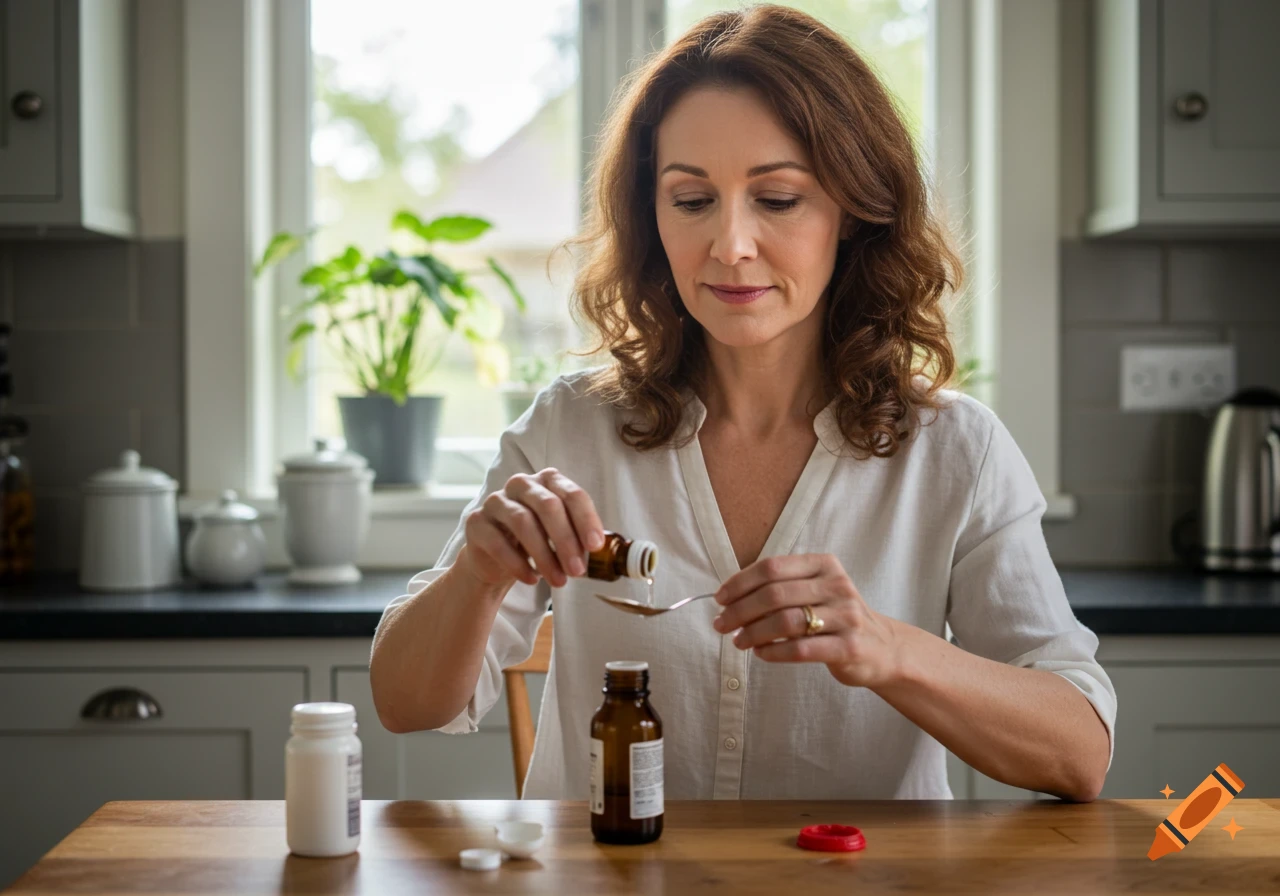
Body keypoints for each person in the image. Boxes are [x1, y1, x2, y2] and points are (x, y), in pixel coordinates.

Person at [370, 4, 1115, 802]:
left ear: (855, 212)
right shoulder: (568, 428)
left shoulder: (956, 452)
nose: (729, 245)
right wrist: (476, 578)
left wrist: (889, 648)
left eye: (779, 199)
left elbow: (1078, 754)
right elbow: (406, 706)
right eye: (692, 201)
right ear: (652, 218)